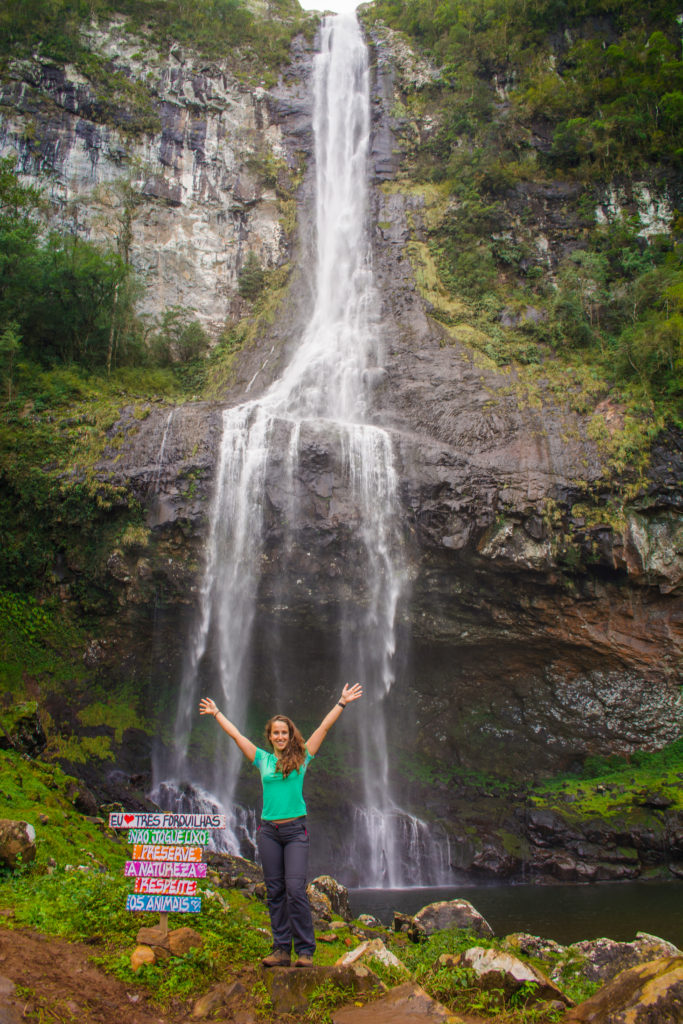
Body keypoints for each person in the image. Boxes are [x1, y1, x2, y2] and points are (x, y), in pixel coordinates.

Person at [199, 683, 363, 968]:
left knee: (295, 890)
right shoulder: (261, 759)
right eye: (275, 733)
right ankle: (280, 950)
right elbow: (236, 735)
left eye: (284, 732)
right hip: (268, 833)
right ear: (270, 737)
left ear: (290, 735)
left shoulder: (302, 757)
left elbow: (323, 729)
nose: (280, 736)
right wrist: (216, 713)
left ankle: (306, 951)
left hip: (295, 832)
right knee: (274, 891)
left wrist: (341, 702)